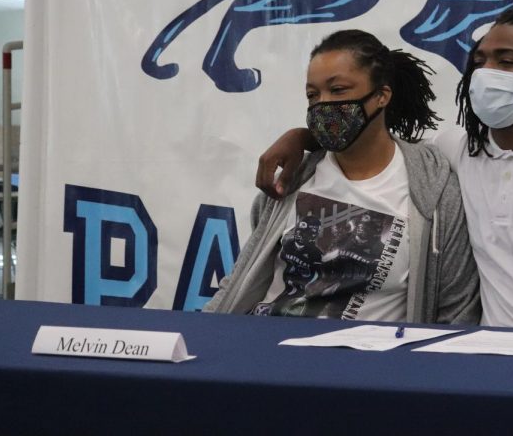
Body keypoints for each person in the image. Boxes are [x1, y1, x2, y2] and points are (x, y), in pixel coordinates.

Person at [257, 8, 513, 331]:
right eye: (479, 59)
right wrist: (300, 137)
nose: (484, 72)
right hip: (480, 369)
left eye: (506, 61)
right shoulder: (456, 151)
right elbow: (367, 140)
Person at [205, 29, 481, 324]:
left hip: (367, 365)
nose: (323, 104)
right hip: (268, 350)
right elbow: (245, 275)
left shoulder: (433, 192)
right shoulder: (294, 178)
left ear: (381, 96)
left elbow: (456, 309)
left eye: (338, 91)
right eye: (313, 94)